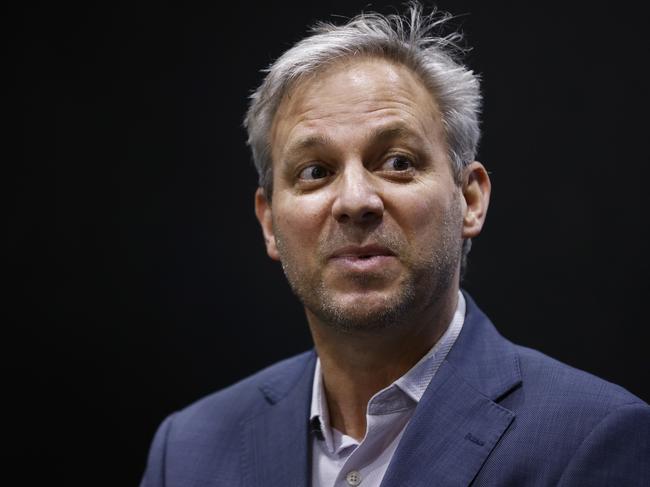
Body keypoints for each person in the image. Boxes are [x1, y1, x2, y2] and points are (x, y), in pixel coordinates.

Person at [140, 3, 650, 486]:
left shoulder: (593, 437)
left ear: (469, 200)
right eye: (315, 172)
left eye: (398, 162)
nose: (355, 200)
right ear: (270, 222)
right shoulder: (187, 449)